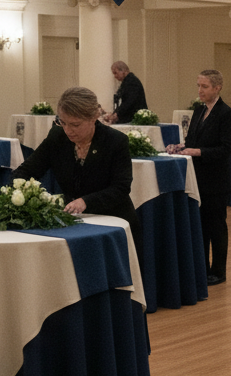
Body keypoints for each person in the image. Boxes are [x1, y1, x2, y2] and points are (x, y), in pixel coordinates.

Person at [13, 87, 140, 252]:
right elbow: (25, 171)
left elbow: (121, 188)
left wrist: (85, 201)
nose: (68, 130)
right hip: (72, 225)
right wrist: (19, 192)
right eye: (63, 122)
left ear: (94, 117)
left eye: (75, 124)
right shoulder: (57, 138)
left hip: (113, 224)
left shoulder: (115, 141)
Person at [167, 69, 231, 285]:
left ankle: (219, 271)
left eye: (204, 86)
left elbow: (225, 149)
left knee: (216, 227)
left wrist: (196, 152)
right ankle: (202, 268)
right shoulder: (198, 111)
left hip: (216, 181)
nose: (200, 90)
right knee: (201, 226)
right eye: (199, 85)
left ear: (217, 88)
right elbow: (193, 140)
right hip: (197, 179)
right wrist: (180, 146)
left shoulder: (226, 114)